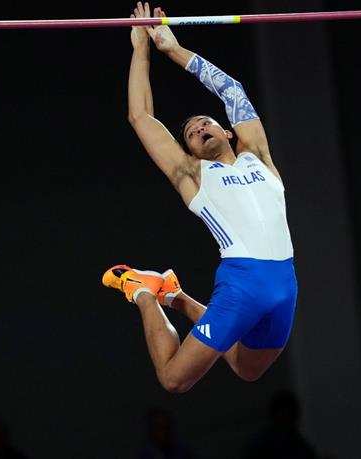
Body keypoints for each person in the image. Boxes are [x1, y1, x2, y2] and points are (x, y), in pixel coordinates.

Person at [102, 2, 298, 393]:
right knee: (174, 380)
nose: (199, 129)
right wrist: (141, 48)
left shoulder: (258, 156)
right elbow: (141, 117)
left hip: (285, 283)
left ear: (227, 131)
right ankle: (143, 290)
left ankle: (174, 296)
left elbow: (232, 89)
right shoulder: (193, 175)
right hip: (241, 285)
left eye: (206, 123)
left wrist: (173, 49)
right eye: (191, 133)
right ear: (189, 151)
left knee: (247, 368)